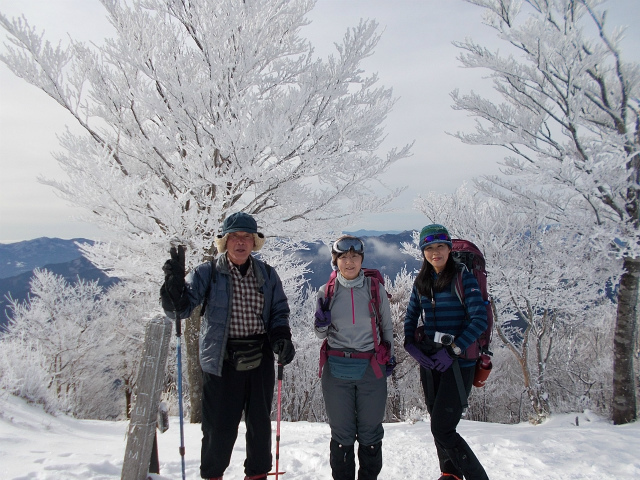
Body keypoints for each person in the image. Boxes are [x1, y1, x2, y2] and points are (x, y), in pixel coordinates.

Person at [160, 212, 295, 480]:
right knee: (218, 427)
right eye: (235, 236)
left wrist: (282, 336)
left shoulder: (267, 274)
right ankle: (213, 475)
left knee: (259, 426)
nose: (241, 242)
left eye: (247, 237)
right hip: (220, 359)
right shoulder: (207, 273)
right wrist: (173, 286)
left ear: (254, 242)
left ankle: (257, 475)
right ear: (225, 241)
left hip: (260, 357)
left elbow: (279, 310)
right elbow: (180, 309)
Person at [404, 224, 489, 480]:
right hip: (430, 361)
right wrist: (411, 345)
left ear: (449, 248)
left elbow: (479, 320)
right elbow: (410, 318)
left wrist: (452, 350)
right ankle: (450, 473)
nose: (435, 252)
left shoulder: (463, 278)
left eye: (440, 246)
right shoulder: (421, 282)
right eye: (429, 248)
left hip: (458, 362)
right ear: (423, 252)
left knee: (443, 428)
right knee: (436, 423)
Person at [314, 235, 395, 480]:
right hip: (336, 368)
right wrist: (321, 323)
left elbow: (387, 327)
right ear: (335, 261)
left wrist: (388, 354)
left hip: (370, 366)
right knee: (342, 434)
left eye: (355, 257)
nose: (349, 262)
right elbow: (320, 334)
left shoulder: (374, 289)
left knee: (370, 432)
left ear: (361, 259)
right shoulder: (326, 291)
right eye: (343, 257)